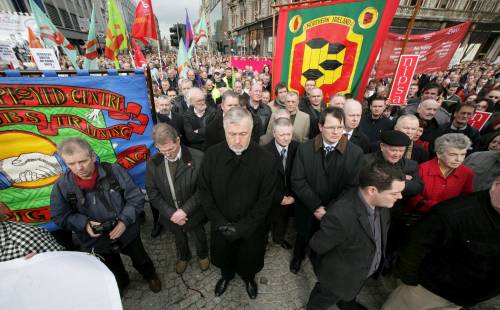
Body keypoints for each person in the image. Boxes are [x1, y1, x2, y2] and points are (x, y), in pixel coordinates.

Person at [50, 138, 162, 294]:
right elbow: (59, 216)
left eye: (83, 161)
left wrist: (124, 221)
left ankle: (150, 275)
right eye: (71, 164)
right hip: (96, 240)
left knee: (140, 258)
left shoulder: (114, 171)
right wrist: (84, 224)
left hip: (127, 232)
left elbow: (136, 197)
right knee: (112, 267)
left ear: (93, 156)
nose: (79, 167)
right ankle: (122, 283)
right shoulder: (62, 187)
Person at [383, 177, 500, 310]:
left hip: (465, 299)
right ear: (496, 184)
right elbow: (414, 246)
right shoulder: (453, 213)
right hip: (427, 292)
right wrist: (410, 280)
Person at [198, 107, 277, 299]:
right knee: (224, 257)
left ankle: (249, 278)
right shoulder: (211, 155)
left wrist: (242, 228)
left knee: (249, 258)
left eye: (244, 133)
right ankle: (226, 276)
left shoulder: (266, 159)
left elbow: (265, 201)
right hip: (221, 225)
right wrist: (220, 223)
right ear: (224, 130)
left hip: (252, 227)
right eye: (232, 134)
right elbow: (205, 193)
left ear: (252, 130)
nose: (238, 140)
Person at [307, 161, 406, 310]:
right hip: (337, 280)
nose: (400, 197)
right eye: (395, 193)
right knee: (321, 300)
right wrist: (330, 276)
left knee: (349, 295)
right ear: (372, 190)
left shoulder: (384, 203)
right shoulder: (341, 216)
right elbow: (317, 246)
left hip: (359, 274)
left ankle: (347, 302)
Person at [290, 107, 364, 274]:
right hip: (308, 208)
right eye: (331, 127)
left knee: (326, 239)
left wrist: (330, 210)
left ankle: (319, 262)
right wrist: (316, 206)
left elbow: (353, 187)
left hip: (335, 211)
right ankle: (298, 256)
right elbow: (297, 180)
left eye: (339, 127)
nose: (336, 132)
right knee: (302, 235)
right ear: (320, 127)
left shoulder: (355, 153)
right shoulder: (304, 149)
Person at [145, 124, 209, 274]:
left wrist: (185, 211)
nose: (168, 154)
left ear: (178, 141)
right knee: (178, 237)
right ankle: (184, 256)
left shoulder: (198, 158)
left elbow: (203, 189)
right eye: (163, 150)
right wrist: (171, 214)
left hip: (194, 212)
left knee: (199, 234)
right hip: (171, 215)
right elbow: (152, 192)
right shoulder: (153, 163)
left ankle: (203, 255)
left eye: (171, 149)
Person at [407, 133, 475, 213]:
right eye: (453, 155)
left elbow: (466, 198)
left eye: (463, 154)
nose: (459, 159)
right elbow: (412, 197)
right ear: (439, 154)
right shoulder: (421, 169)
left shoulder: (467, 173)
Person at [264, 118, 299, 249]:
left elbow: (300, 174)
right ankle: (263, 242)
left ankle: (279, 239)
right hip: (272, 195)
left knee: (283, 219)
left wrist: (293, 196)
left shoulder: (298, 148)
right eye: (282, 134)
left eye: (289, 134)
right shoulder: (265, 152)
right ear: (274, 133)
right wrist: (279, 198)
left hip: (291, 194)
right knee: (267, 220)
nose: (286, 138)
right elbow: (264, 182)